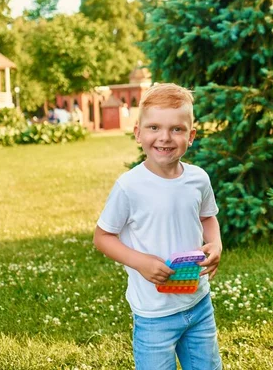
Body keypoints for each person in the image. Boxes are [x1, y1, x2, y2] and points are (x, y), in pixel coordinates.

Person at [93, 83, 223, 370]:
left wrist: (215, 244)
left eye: (177, 129)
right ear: (138, 133)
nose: (165, 137)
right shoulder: (129, 186)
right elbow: (103, 237)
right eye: (154, 127)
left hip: (198, 303)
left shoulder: (198, 179)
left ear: (191, 136)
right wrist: (140, 262)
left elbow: (207, 217)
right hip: (154, 314)